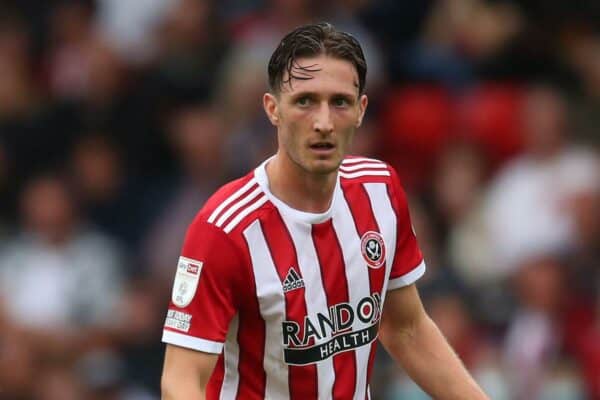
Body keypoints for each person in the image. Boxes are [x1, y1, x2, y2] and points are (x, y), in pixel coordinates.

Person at [160, 22, 489, 400]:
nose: (323, 123)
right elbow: (180, 381)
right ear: (273, 109)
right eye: (305, 101)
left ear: (361, 110)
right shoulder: (224, 229)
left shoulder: (380, 191)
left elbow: (406, 328)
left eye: (339, 102)